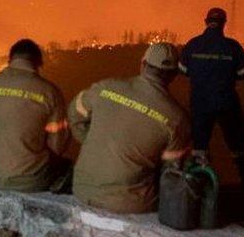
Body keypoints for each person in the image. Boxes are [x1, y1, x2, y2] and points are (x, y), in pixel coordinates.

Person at [67, 43, 191, 214]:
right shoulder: (178, 119)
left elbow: (74, 113)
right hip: (130, 204)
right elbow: (171, 172)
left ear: (143, 63)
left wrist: (92, 143)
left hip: (82, 190)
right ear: (174, 75)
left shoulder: (105, 88)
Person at [0, 39, 71, 192]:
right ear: (38, 63)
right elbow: (57, 145)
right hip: (29, 181)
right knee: (69, 168)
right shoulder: (49, 92)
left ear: (10, 60)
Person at [179, 7, 244, 193]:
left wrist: (201, 76)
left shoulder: (193, 44)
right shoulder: (232, 46)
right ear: (224, 23)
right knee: (239, 142)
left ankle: (197, 186)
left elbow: (183, 69)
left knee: (199, 145)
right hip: (227, 102)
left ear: (206, 21)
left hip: (200, 103)